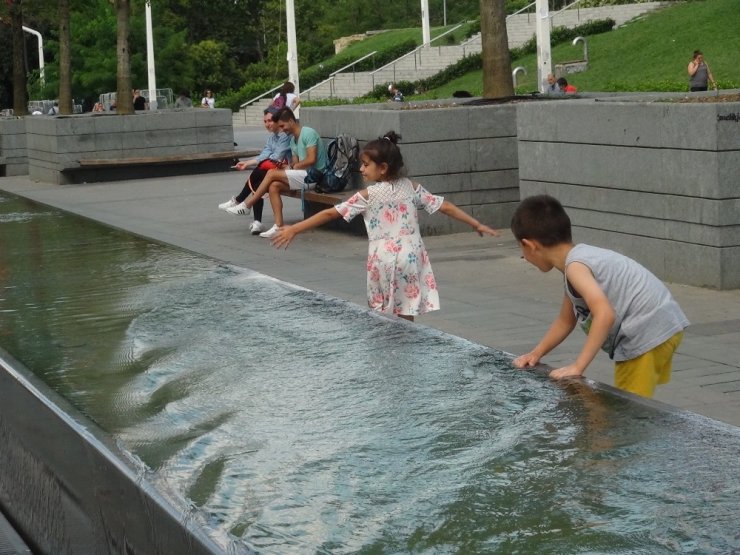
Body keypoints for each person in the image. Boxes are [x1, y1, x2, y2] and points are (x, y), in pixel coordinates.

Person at [270, 131, 500, 321]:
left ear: (382, 168)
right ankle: (407, 346)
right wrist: (475, 223)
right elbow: (444, 206)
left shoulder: (368, 195)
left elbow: (331, 213)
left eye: (365, 164)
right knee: (407, 308)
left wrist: (294, 229)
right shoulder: (411, 187)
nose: (361, 169)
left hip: (384, 257)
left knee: (381, 313)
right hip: (411, 256)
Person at [510, 195, 689, 398]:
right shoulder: (577, 263)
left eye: (520, 248)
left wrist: (578, 366)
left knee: (626, 413)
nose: (523, 257)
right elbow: (565, 321)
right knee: (628, 408)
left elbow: (604, 314)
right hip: (659, 323)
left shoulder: (576, 267)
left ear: (530, 245)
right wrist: (536, 353)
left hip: (645, 331)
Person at [237, 107, 328, 239]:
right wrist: (288, 167)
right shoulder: (293, 140)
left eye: (282, 125)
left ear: (291, 121)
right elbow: (296, 165)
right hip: (303, 176)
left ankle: (248, 204)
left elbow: (311, 159)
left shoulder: (308, 133)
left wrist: (292, 166)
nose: (282, 129)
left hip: (316, 177)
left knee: (272, 173)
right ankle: (278, 225)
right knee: (273, 186)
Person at [219, 106, 292, 234]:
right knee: (258, 183)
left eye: (269, 121)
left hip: (286, 170)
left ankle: (239, 201)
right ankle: (257, 222)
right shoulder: (272, 138)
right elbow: (264, 156)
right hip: (275, 170)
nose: (267, 124)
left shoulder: (285, 136)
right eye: (265, 121)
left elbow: (277, 158)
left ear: (277, 121)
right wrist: (246, 163)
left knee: (260, 172)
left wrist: (261, 162)